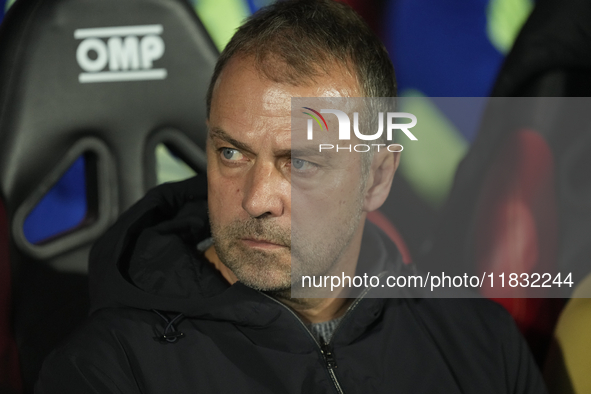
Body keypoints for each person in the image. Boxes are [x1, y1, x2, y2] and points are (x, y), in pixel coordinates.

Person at [36, 0, 547, 392]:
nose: (257, 198)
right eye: (233, 154)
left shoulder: (481, 348)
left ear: (378, 176)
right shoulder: (109, 371)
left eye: (300, 163)